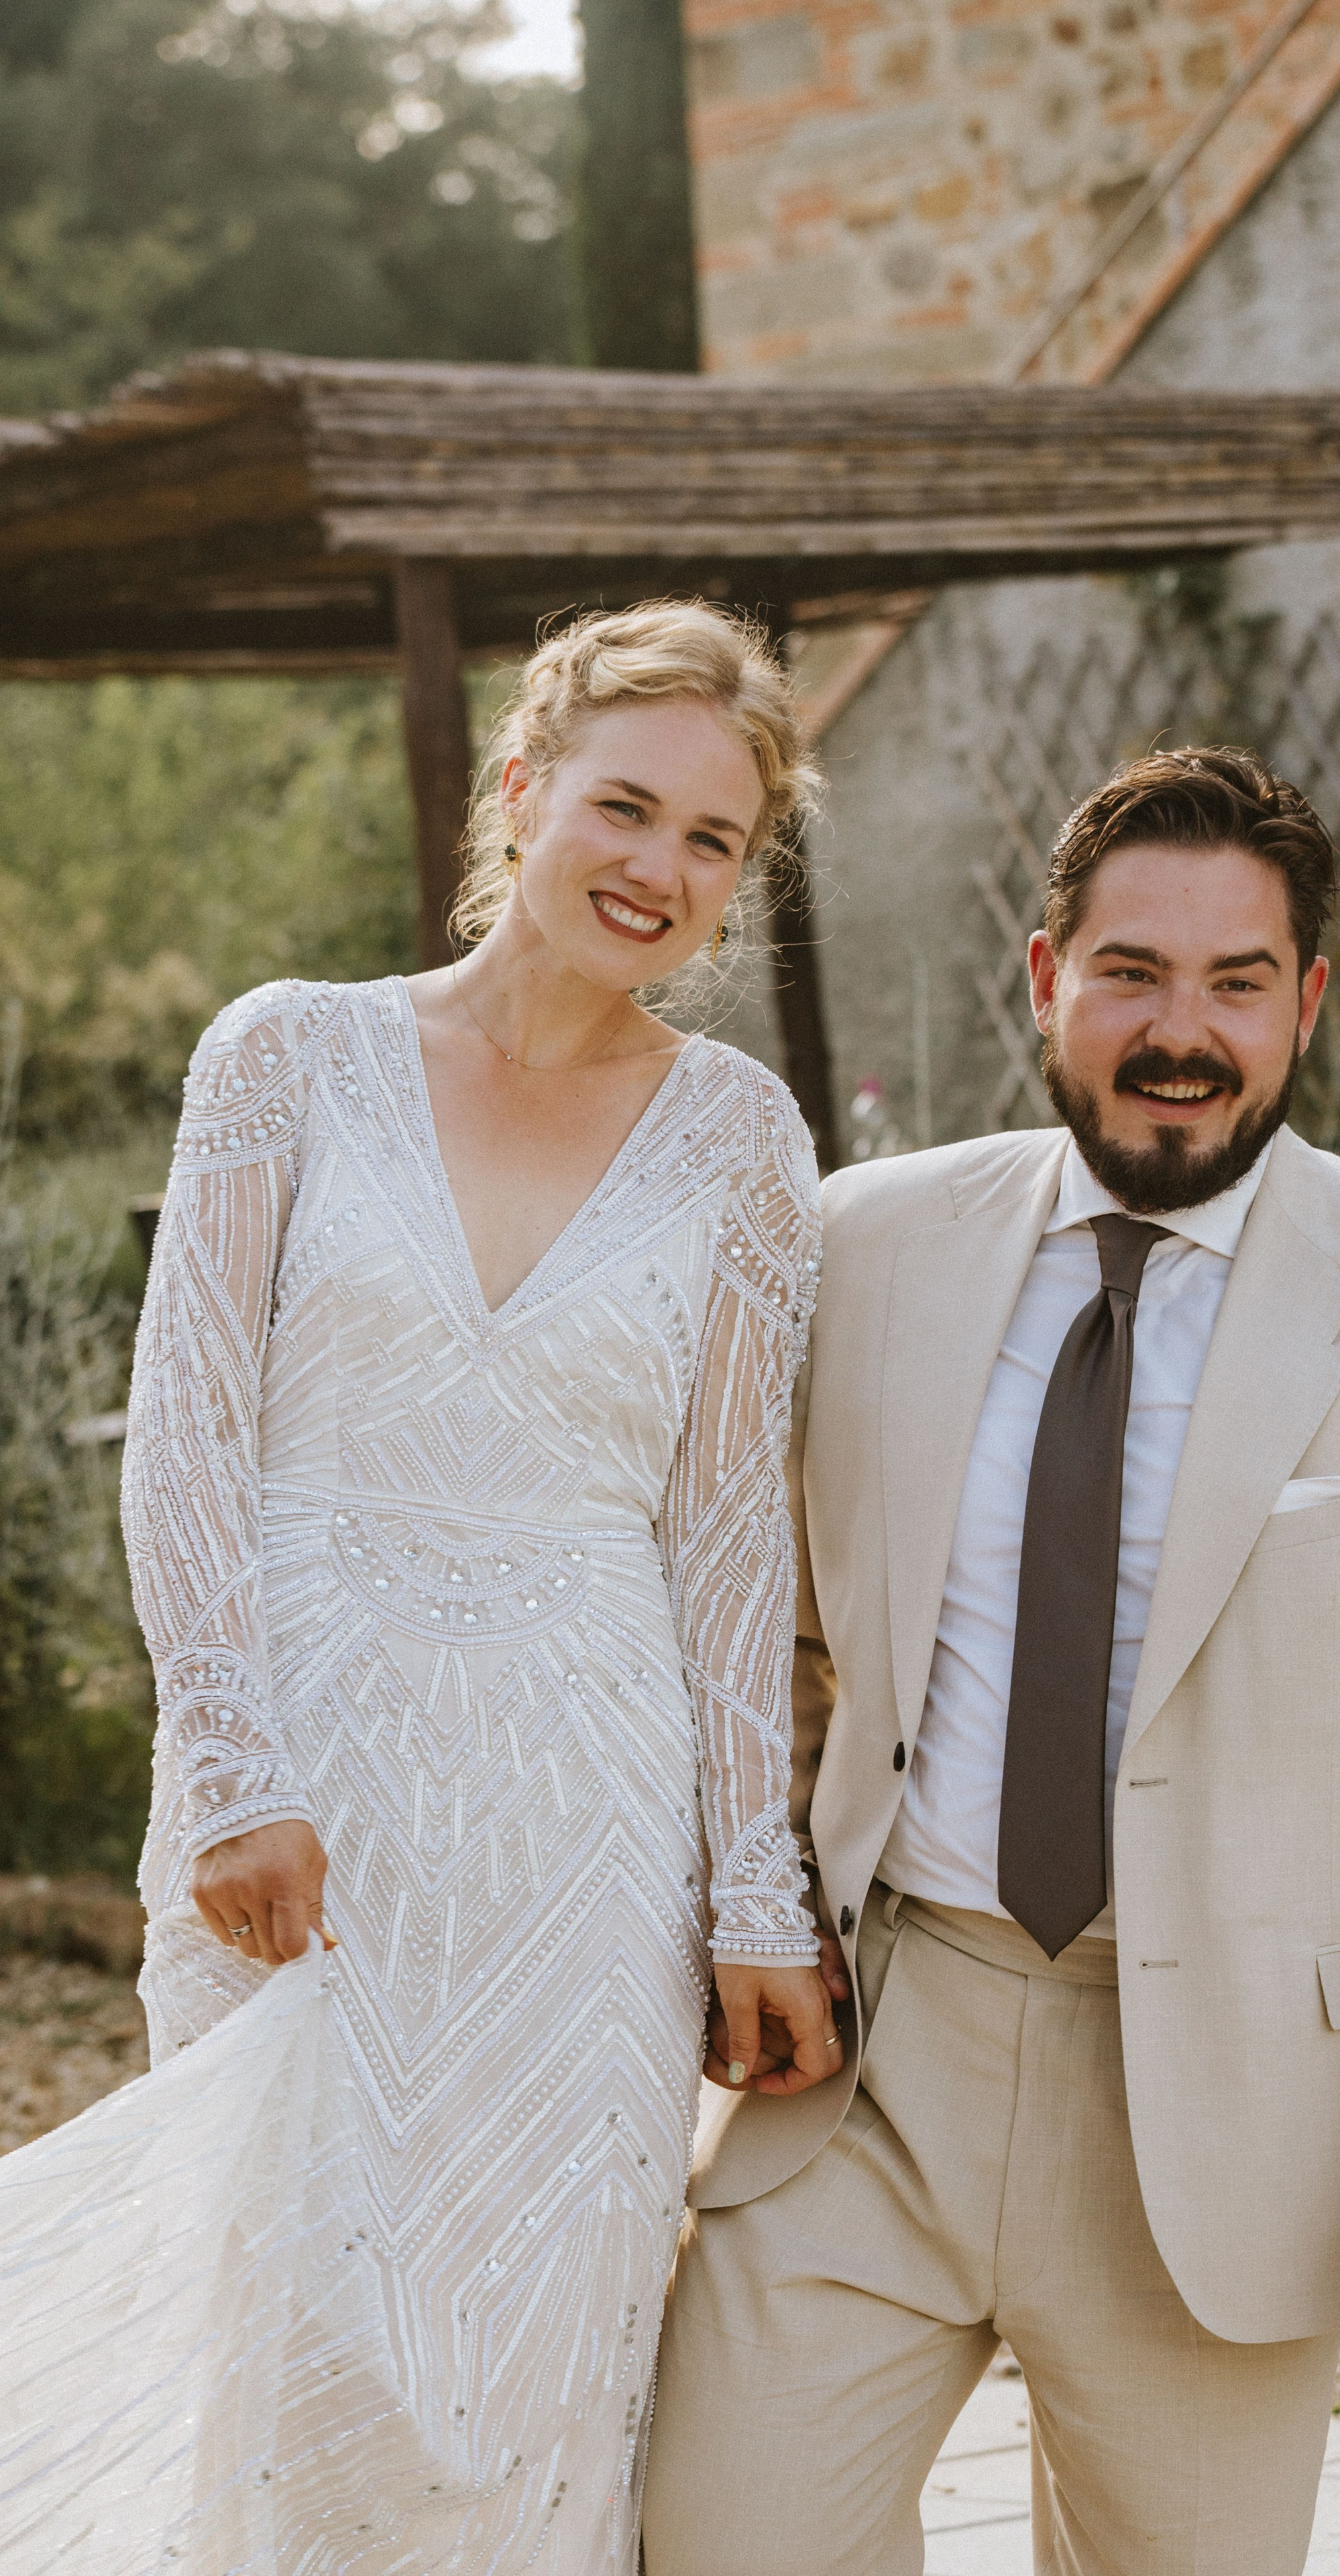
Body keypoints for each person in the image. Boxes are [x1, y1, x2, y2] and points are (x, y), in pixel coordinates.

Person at [642, 746, 1340, 2576]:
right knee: (720, 2541)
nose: (1182, 1030)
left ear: (1307, 1004)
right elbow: (760, 1621)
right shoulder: (861, 1243)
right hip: (872, 2060)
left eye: (1237, 982)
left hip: (1233, 2101)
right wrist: (747, 1900)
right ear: (1047, 978)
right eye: (1132, 974)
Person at [0, 602, 842, 2575]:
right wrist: (225, 1763)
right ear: (522, 789)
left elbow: (726, 1543)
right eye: (623, 808)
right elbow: (190, 1434)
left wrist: (754, 1895)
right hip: (300, 1810)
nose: (656, 868)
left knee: (541, 2360)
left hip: (589, 1836)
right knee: (280, 2346)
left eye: (711, 842)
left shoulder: (739, 1139)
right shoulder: (288, 1054)